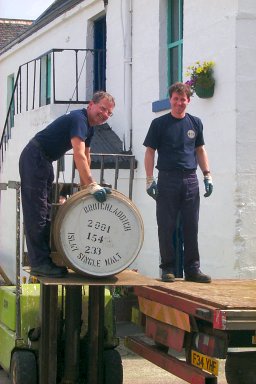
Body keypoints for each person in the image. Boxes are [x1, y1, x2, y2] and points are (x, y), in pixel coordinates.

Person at [19, 91, 115, 278]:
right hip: (35, 157)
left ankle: (44, 260)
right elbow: (77, 155)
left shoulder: (90, 127)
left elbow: (86, 156)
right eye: (102, 109)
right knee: (36, 212)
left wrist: (86, 188)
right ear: (91, 105)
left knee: (45, 212)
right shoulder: (79, 119)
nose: (104, 115)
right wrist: (93, 185)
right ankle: (39, 263)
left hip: (44, 160)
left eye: (109, 114)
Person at [143, 82, 213, 283]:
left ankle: (192, 269)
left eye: (183, 99)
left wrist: (207, 175)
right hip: (167, 179)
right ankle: (168, 268)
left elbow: (200, 149)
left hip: (190, 179)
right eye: (176, 99)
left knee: (191, 225)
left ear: (188, 101)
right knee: (167, 225)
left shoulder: (195, 123)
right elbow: (150, 152)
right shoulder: (159, 124)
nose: (179, 102)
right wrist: (149, 180)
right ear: (170, 100)